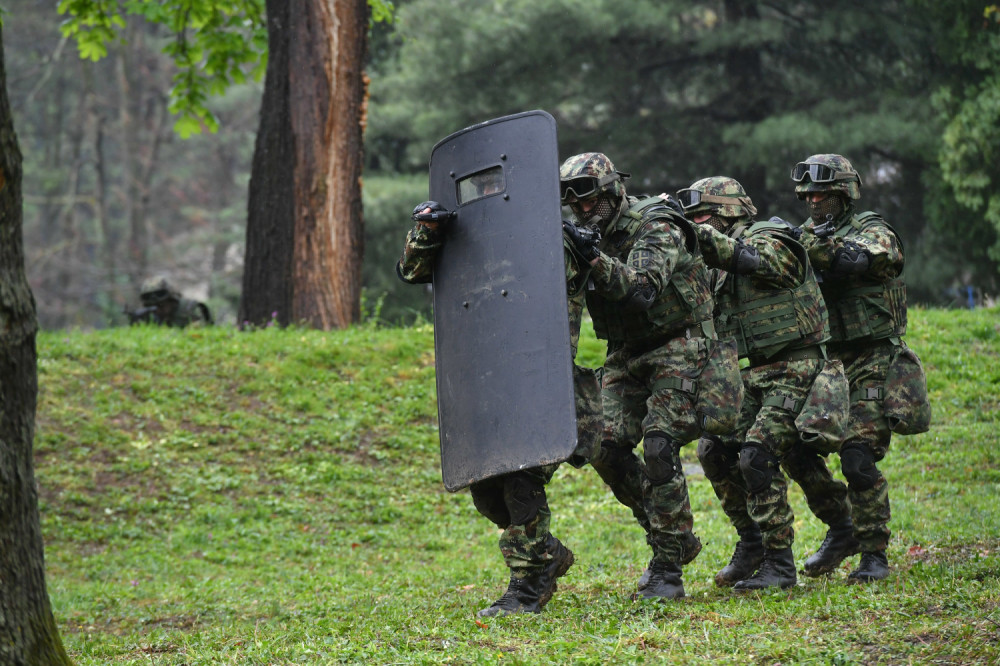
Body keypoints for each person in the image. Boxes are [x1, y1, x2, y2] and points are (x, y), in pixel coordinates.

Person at [395, 168, 600, 617]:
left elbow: (566, 285)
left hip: (539, 377)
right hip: (487, 381)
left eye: (496, 185)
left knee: (520, 477)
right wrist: (428, 232)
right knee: (487, 493)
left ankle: (528, 587)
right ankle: (547, 553)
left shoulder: (551, 234)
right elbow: (412, 272)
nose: (489, 195)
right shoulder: (458, 235)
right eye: (480, 187)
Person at [560, 153, 740, 600]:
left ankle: (666, 566)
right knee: (601, 446)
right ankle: (674, 537)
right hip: (627, 353)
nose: (584, 211)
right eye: (575, 204)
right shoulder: (584, 234)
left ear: (613, 190)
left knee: (659, 444)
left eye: (592, 201)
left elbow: (641, 289)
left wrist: (592, 257)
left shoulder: (655, 224)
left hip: (682, 343)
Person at [677, 176, 850, 590]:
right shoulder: (715, 266)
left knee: (757, 453)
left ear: (729, 211)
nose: (696, 223)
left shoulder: (770, 236)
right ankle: (757, 541)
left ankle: (780, 564)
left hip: (796, 369)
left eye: (702, 215)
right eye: (693, 218)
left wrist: (695, 234)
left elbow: (759, 261)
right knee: (715, 450)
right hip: (747, 376)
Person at [790, 153, 924, 583]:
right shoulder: (802, 236)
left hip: (873, 359)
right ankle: (842, 527)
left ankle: (873, 553)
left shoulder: (871, 228)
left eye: (821, 193)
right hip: (826, 364)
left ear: (843, 193)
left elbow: (864, 259)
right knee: (791, 446)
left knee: (856, 457)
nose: (812, 201)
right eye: (807, 194)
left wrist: (817, 248)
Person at [129, 276, 212, 327]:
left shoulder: (189, 309)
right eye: (155, 307)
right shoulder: (150, 317)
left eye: (161, 305)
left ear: (171, 300)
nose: (158, 310)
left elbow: (203, 330)